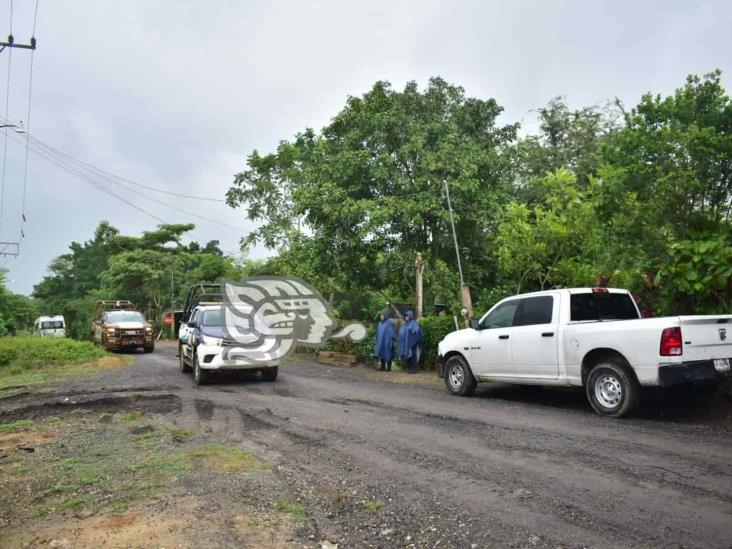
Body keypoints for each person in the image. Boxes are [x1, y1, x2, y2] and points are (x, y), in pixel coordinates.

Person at [398, 309, 423, 374]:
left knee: (413, 355)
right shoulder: (404, 324)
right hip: (406, 343)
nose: (406, 317)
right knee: (407, 355)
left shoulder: (414, 323)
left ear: (410, 316)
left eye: (407, 316)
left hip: (412, 343)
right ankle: (409, 368)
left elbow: (417, 332)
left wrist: (414, 341)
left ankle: (414, 368)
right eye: (405, 316)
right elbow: (401, 332)